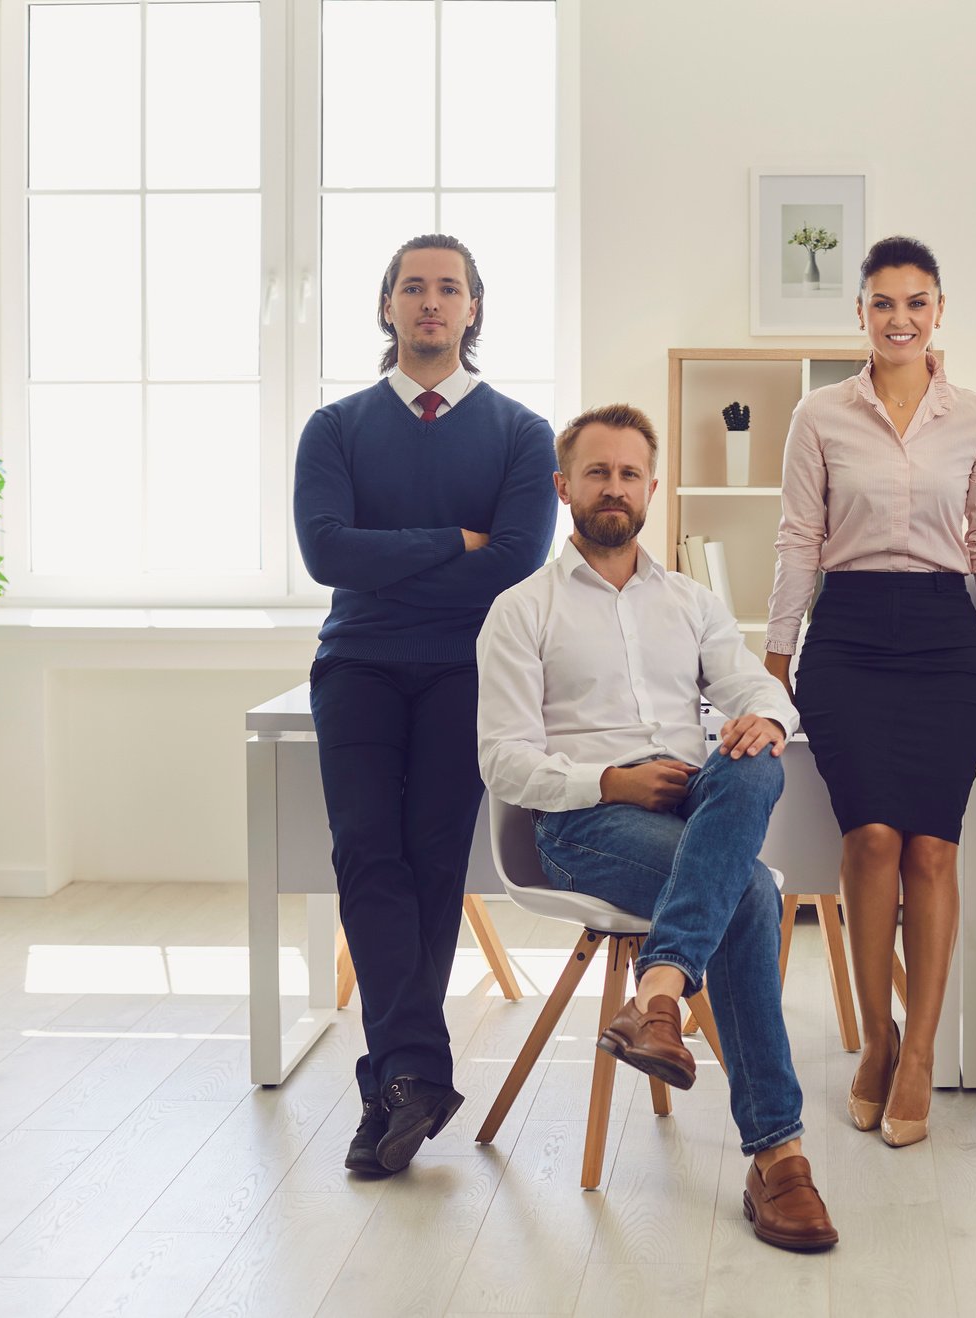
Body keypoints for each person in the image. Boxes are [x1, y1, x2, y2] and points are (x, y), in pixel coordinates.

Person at [477, 403, 838, 1253]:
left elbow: (757, 688)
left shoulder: (691, 602)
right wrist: (610, 779)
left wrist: (764, 720)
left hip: (690, 812)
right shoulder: (520, 610)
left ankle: (660, 996)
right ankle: (778, 1157)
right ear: (564, 487)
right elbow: (503, 763)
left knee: (757, 760)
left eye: (629, 473)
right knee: (748, 893)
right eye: (596, 472)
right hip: (581, 826)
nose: (614, 487)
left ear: (652, 488)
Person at [765, 235, 976, 1150]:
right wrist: (773, 664)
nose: (899, 318)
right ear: (859, 312)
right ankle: (875, 1038)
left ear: (937, 311)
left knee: (932, 848)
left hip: (943, 638)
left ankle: (918, 1050)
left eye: (915, 302)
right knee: (871, 837)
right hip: (846, 636)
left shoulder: (974, 417)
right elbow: (797, 541)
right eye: (882, 302)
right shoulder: (818, 415)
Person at [294, 233, 558, 1176]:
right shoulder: (335, 430)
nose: (431, 302)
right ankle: (414, 1072)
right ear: (387, 307)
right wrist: (453, 538)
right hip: (357, 664)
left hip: (467, 671)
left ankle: (396, 1086)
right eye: (414, 287)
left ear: (474, 308)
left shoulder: (523, 435)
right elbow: (327, 555)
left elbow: (515, 564)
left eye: (449, 288)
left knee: (432, 859)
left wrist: (395, 558)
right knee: (366, 854)